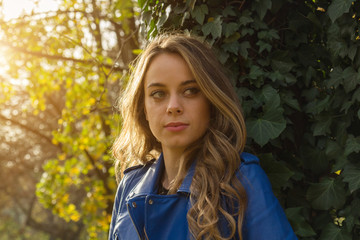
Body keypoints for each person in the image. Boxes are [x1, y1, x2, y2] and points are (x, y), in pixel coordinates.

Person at [108, 33, 297, 240]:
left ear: (211, 100)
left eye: (190, 91)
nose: (173, 107)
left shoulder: (242, 181)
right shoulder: (130, 188)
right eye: (158, 94)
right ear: (143, 108)